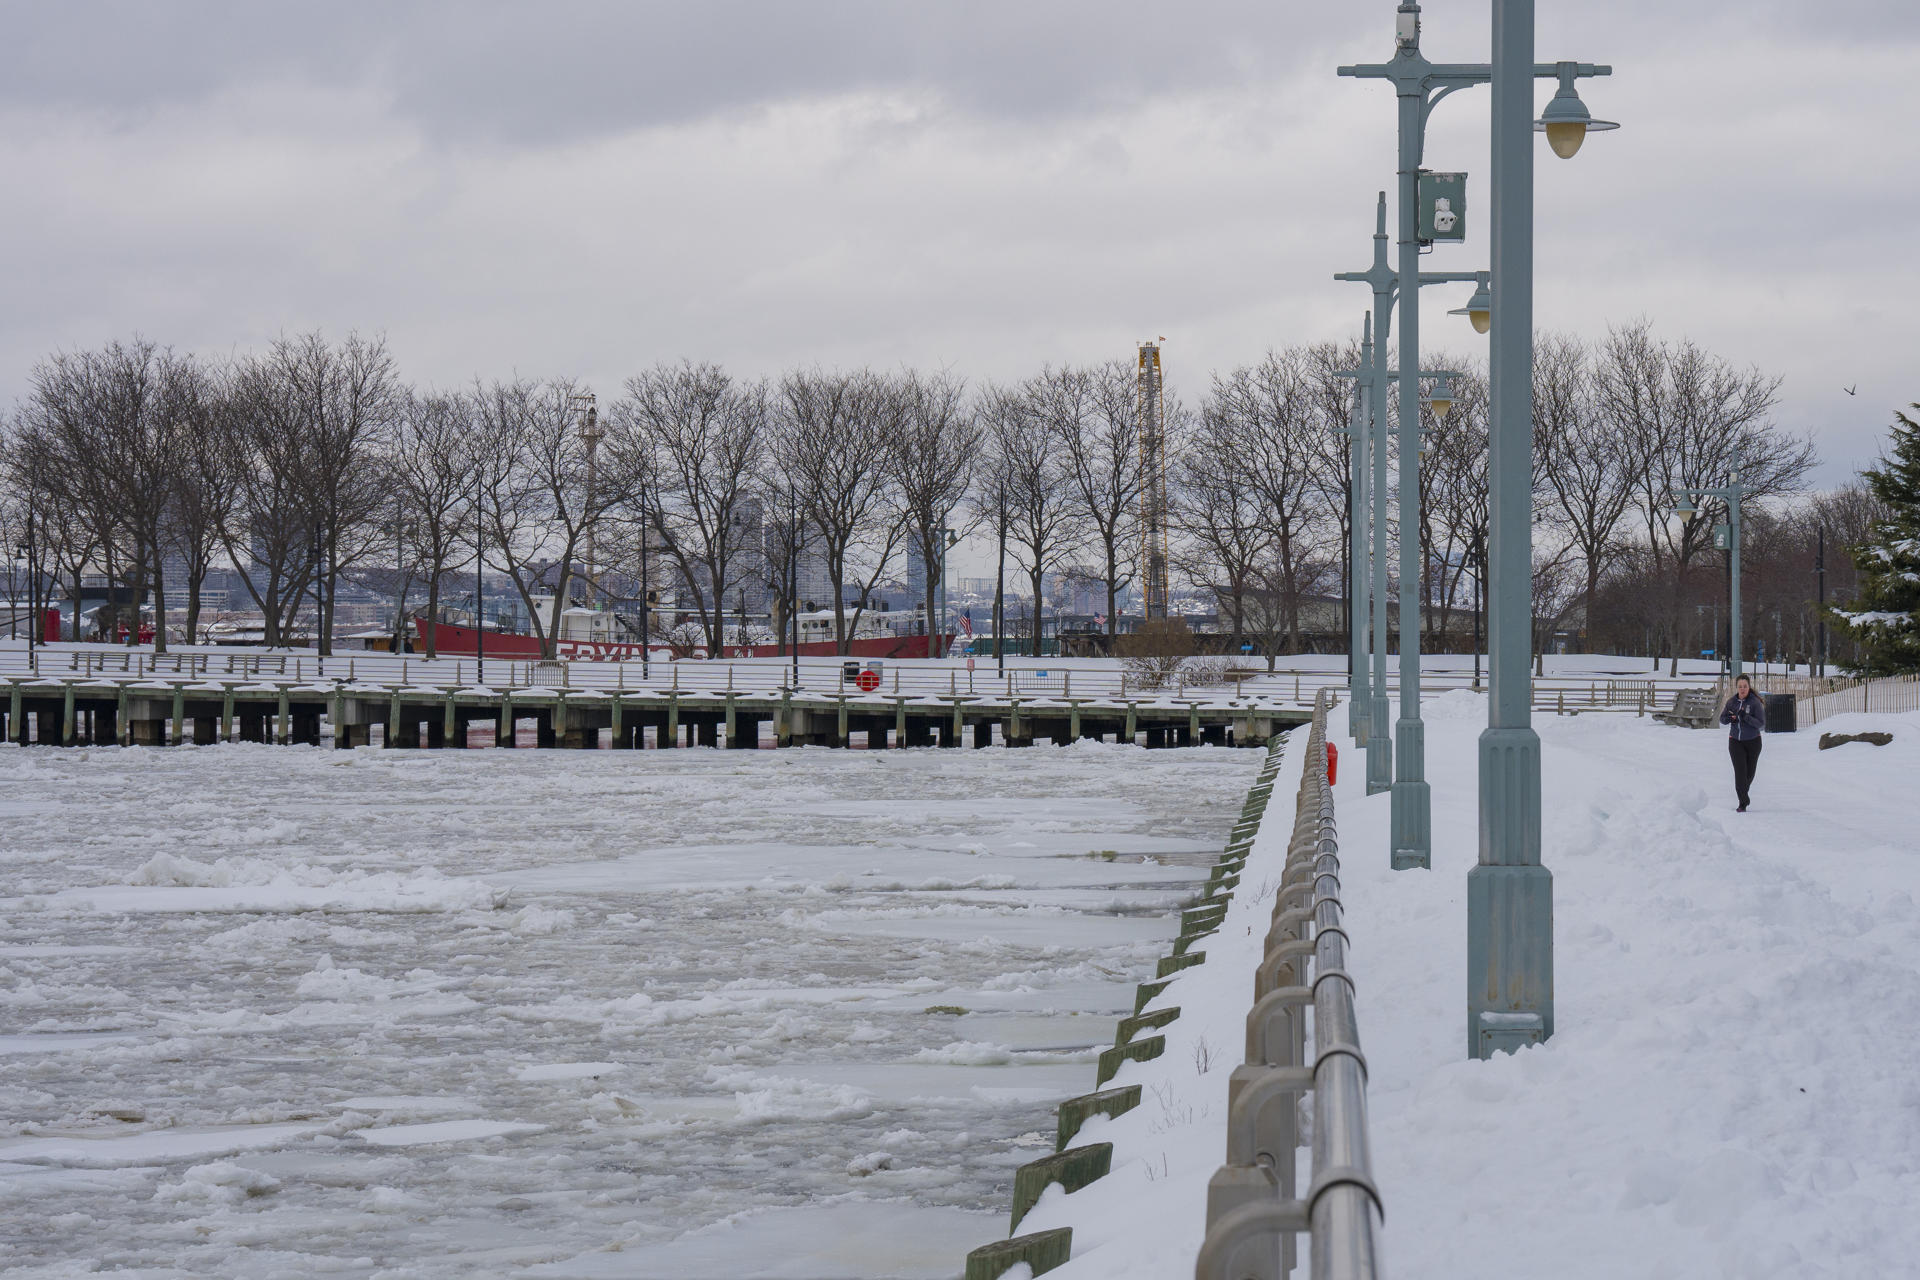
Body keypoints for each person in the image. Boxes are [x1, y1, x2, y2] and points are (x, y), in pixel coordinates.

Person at [1718, 674, 1766, 812]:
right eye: (1740, 686)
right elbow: (1722, 719)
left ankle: (1743, 795)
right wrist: (1730, 719)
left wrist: (1746, 718)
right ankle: (1743, 803)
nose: (1743, 689)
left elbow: (1761, 724)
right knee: (1740, 773)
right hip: (1735, 742)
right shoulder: (1731, 702)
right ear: (1737, 687)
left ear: (1749, 687)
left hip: (1753, 742)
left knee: (1749, 774)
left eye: (1745, 686)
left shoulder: (1755, 703)